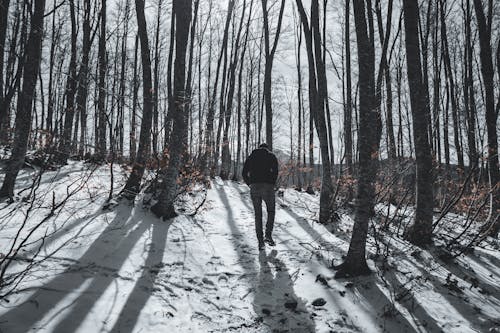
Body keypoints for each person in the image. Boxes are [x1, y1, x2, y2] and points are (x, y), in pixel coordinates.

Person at [242, 143, 279, 250]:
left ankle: (260, 242)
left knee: (258, 214)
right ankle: (268, 235)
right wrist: (271, 182)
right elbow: (275, 172)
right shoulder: (271, 156)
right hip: (268, 186)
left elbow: (244, 172)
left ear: (259, 147)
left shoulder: (251, 157)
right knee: (271, 211)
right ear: (267, 148)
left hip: (254, 186)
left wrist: (250, 183)